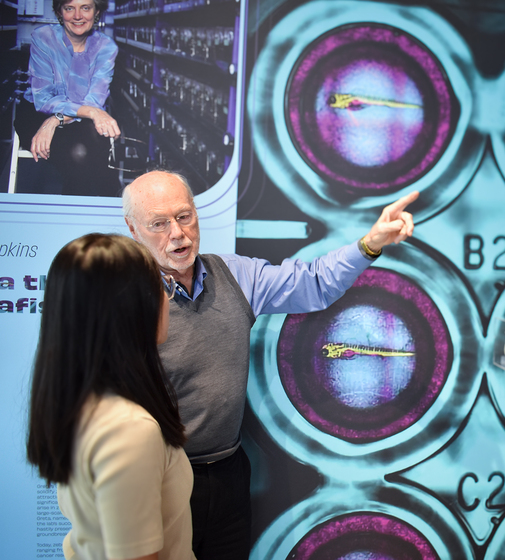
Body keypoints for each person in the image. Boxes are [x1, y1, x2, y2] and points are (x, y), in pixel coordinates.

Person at [121, 170, 418, 560]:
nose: (177, 234)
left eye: (185, 216)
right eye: (159, 224)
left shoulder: (235, 274)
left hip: (228, 470)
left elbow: (314, 283)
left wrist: (369, 244)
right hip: (158, 475)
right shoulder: (122, 295)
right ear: (133, 229)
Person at [26, 233, 195, 560]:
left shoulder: (81, 404)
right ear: (130, 306)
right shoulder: (129, 430)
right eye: (159, 286)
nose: (166, 298)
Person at [14, 0, 121, 196]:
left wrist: (56, 120)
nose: (78, 16)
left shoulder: (106, 47)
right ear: (59, 12)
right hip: (35, 115)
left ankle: (104, 214)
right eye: (69, 8)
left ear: (97, 11)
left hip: (79, 118)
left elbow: (94, 100)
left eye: (86, 7)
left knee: (93, 151)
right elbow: (43, 98)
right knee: (82, 155)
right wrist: (52, 118)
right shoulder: (42, 37)